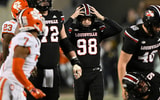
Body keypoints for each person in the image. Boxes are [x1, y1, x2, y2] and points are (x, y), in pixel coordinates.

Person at [26, 0, 82, 100]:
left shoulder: (57, 15)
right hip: (33, 70)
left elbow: (64, 41)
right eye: (41, 0)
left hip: (52, 69)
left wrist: (75, 61)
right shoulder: (28, 15)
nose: (44, 2)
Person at [65, 3, 122, 100]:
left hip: (96, 72)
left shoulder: (97, 27)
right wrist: (71, 17)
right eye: (84, 19)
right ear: (79, 19)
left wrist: (102, 17)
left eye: (89, 19)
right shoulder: (74, 29)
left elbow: (118, 29)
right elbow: (61, 32)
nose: (87, 21)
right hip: (80, 72)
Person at [0, 7, 46, 100]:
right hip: (10, 83)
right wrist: (31, 88)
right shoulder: (26, 38)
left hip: (17, 85)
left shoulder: (31, 39)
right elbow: (16, 69)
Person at [118, 5, 160, 100]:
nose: (159, 28)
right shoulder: (134, 35)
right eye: (157, 25)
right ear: (148, 23)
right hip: (135, 79)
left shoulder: (158, 35)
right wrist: (124, 88)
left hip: (150, 74)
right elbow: (122, 64)